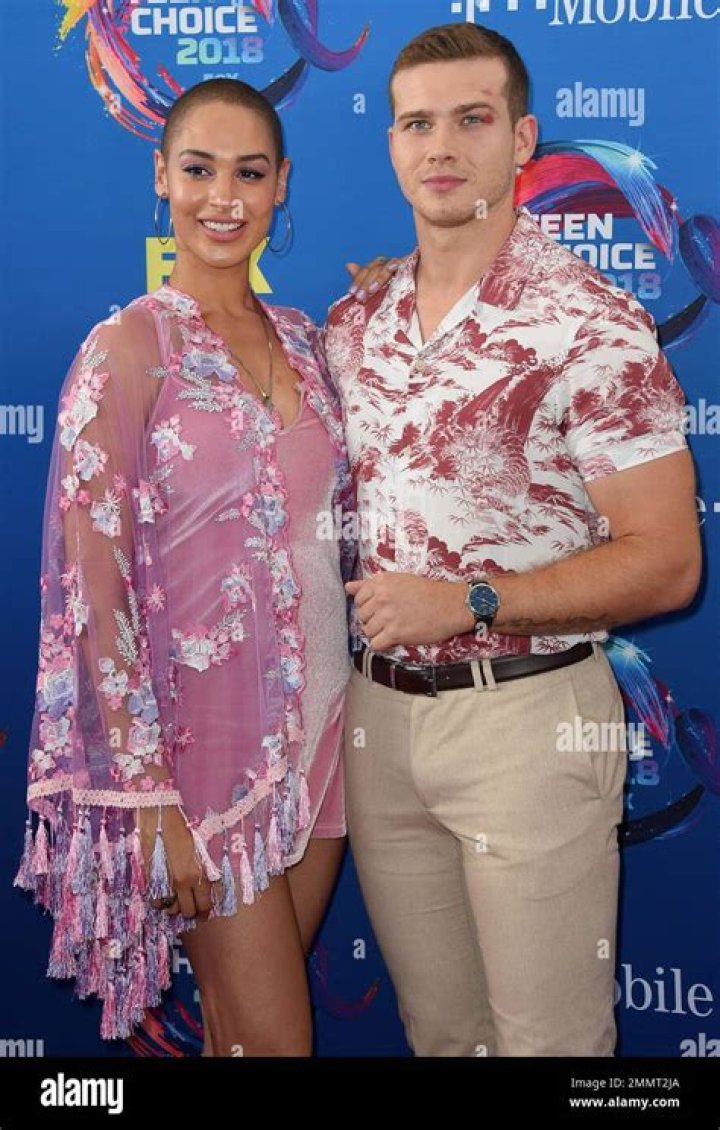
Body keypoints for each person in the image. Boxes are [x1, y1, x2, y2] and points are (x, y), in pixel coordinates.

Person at [323, 23, 701, 1057]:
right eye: (417, 123)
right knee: (444, 1035)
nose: (441, 146)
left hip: (529, 722)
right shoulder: (356, 322)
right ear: (392, 143)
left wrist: (471, 600)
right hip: (378, 723)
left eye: (472, 119)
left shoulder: (591, 322)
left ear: (521, 138)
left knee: (553, 1046)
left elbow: (669, 560)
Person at [14, 78, 383, 1056]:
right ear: (161, 176)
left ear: (281, 184)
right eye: (199, 169)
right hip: (205, 767)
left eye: (249, 174)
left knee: (238, 1035)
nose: (224, 198)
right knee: (274, 1041)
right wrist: (146, 793)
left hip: (327, 744)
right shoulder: (128, 348)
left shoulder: (310, 343)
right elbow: (92, 590)